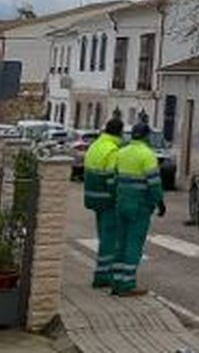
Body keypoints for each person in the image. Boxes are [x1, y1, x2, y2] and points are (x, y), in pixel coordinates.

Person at [112, 122, 166, 296]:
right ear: (146, 136)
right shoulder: (147, 155)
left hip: (121, 203)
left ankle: (116, 281)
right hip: (139, 206)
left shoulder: (121, 153)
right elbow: (154, 184)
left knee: (120, 242)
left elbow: (114, 178)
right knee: (134, 244)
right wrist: (159, 202)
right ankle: (128, 284)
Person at [81, 118, 125, 289]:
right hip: (107, 199)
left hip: (93, 197)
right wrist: (118, 198)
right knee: (109, 238)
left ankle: (103, 271)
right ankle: (103, 275)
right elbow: (112, 179)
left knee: (102, 234)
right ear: (120, 132)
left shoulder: (96, 145)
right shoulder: (112, 150)